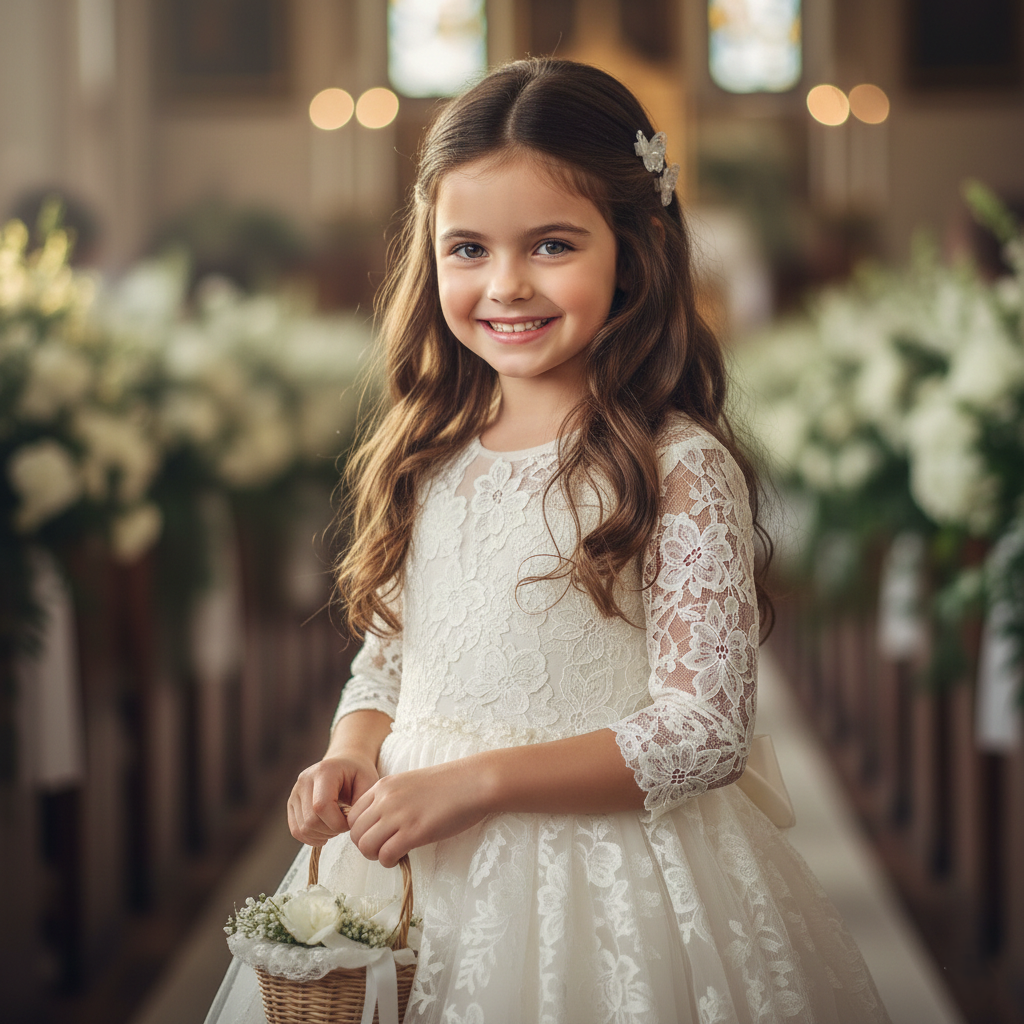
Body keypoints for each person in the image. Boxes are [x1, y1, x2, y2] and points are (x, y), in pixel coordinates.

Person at [206, 58, 889, 1024]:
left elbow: (705, 732)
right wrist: (352, 749)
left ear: (636, 248)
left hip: (608, 886)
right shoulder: (427, 451)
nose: (506, 284)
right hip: (413, 863)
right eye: (469, 248)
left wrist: (480, 784)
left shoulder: (677, 466)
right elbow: (393, 655)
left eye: (553, 244)